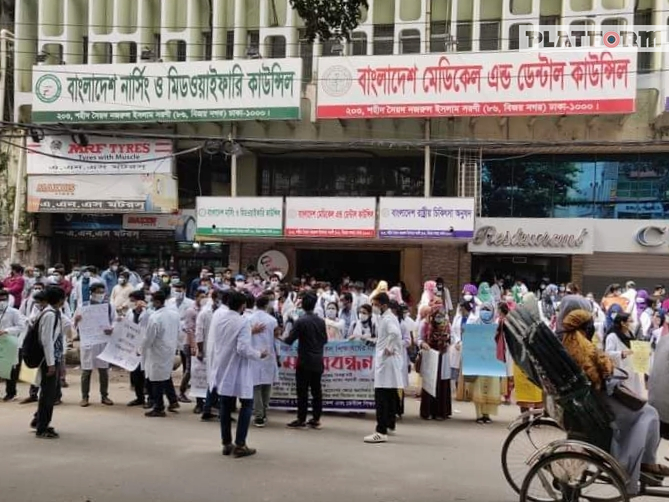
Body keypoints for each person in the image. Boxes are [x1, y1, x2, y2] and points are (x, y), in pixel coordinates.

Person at [562, 310, 667, 495]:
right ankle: (636, 463)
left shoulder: (570, 346)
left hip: (599, 396)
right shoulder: (585, 347)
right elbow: (601, 370)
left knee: (647, 411)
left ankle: (645, 462)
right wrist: (609, 366)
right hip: (603, 399)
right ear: (585, 327)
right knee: (648, 413)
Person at [208, 291, 268, 458]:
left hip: (222, 364)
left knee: (225, 405)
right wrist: (259, 354)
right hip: (238, 367)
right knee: (247, 403)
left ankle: (227, 443)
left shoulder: (219, 318)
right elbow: (242, 348)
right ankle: (240, 444)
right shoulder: (243, 322)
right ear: (243, 306)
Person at [283, 293, 328, 430]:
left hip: (304, 360)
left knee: (302, 391)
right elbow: (325, 340)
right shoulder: (321, 321)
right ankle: (316, 418)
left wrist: (279, 337)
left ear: (302, 305)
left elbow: (289, 340)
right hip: (317, 360)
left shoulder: (300, 321)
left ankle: (301, 419)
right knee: (316, 391)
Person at [364, 293, 404, 444]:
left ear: (384, 305)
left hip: (386, 363)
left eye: (375, 304)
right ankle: (389, 424)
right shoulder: (387, 318)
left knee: (381, 397)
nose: (373, 307)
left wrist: (389, 347)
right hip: (388, 362)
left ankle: (380, 431)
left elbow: (395, 333)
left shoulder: (387, 319)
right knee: (389, 394)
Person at [31, 286, 67, 439]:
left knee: (49, 393)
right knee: (48, 394)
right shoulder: (50, 314)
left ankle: (39, 420)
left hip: (53, 357)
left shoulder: (53, 312)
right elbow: (46, 340)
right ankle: (42, 427)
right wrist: (51, 363)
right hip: (48, 359)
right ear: (60, 300)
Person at [74, 283, 114, 407]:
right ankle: (84, 397)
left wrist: (111, 329)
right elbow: (73, 324)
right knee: (86, 371)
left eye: (102, 292)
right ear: (91, 293)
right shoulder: (83, 306)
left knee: (104, 371)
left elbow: (115, 321)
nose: (100, 294)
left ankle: (104, 396)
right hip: (88, 343)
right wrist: (76, 320)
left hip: (102, 342)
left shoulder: (108, 307)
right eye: (98, 292)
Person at [142, 291, 180, 417]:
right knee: (166, 375)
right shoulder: (174, 314)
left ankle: (159, 407)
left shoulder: (155, 317)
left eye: (153, 301)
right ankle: (173, 400)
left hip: (157, 351)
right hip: (169, 349)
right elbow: (178, 331)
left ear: (157, 302)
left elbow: (149, 337)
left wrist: (141, 349)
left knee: (156, 379)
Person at [418, 300, 452, 421]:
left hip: (443, 356)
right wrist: (423, 344)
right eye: (436, 312)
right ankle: (427, 411)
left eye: (441, 313)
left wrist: (446, 342)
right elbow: (419, 339)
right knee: (430, 383)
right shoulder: (425, 324)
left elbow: (452, 339)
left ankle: (441, 412)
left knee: (442, 383)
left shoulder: (447, 325)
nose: (439, 316)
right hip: (430, 356)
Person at [250, 295, 279, 428]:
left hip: (254, 355)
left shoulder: (249, 319)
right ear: (267, 304)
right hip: (268, 354)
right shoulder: (272, 320)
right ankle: (264, 412)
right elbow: (276, 338)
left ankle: (258, 415)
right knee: (266, 385)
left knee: (256, 386)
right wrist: (278, 354)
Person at [470, 302, 501, 424]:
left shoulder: (496, 327)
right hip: (479, 361)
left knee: (491, 387)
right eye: (484, 309)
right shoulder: (475, 325)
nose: (486, 312)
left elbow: (499, 344)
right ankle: (479, 415)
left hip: (491, 361)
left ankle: (486, 414)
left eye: (488, 310)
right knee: (479, 386)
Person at [166, 281, 195, 403]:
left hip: (184, 336)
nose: (177, 292)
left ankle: (183, 390)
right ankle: (168, 388)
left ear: (184, 290)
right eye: (175, 290)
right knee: (168, 364)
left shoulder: (191, 303)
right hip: (171, 335)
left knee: (186, 364)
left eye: (179, 290)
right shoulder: (169, 302)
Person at [605, 311, 645, 397]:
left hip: (632, 369)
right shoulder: (612, 336)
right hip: (621, 371)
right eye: (631, 321)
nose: (633, 323)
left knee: (635, 393)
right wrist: (621, 353)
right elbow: (607, 353)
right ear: (623, 323)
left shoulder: (631, 334)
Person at [124, 291, 151, 407]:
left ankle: (150, 399)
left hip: (145, 347)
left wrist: (147, 307)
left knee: (146, 374)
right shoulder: (130, 312)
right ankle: (139, 398)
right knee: (135, 374)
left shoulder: (149, 313)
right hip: (132, 346)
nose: (131, 303)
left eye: (133, 300)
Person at [0, 289, 27, 401]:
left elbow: (21, 326)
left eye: (3, 299)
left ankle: (11, 392)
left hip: (9, 342)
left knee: (10, 368)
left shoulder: (14, 312)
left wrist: (6, 331)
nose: (1, 301)